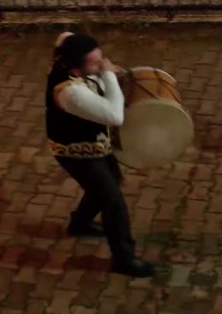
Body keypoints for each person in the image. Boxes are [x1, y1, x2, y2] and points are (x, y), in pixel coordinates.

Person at [45, 31, 155, 278]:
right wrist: (109, 76)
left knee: (110, 183)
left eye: (101, 58)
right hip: (77, 152)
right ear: (76, 71)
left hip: (92, 143)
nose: (103, 64)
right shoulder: (71, 93)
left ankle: (80, 224)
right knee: (113, 203)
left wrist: (102, 69)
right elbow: (114, 116)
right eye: (95, 63)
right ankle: (124, 260)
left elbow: (65, 35)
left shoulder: (65, 55)